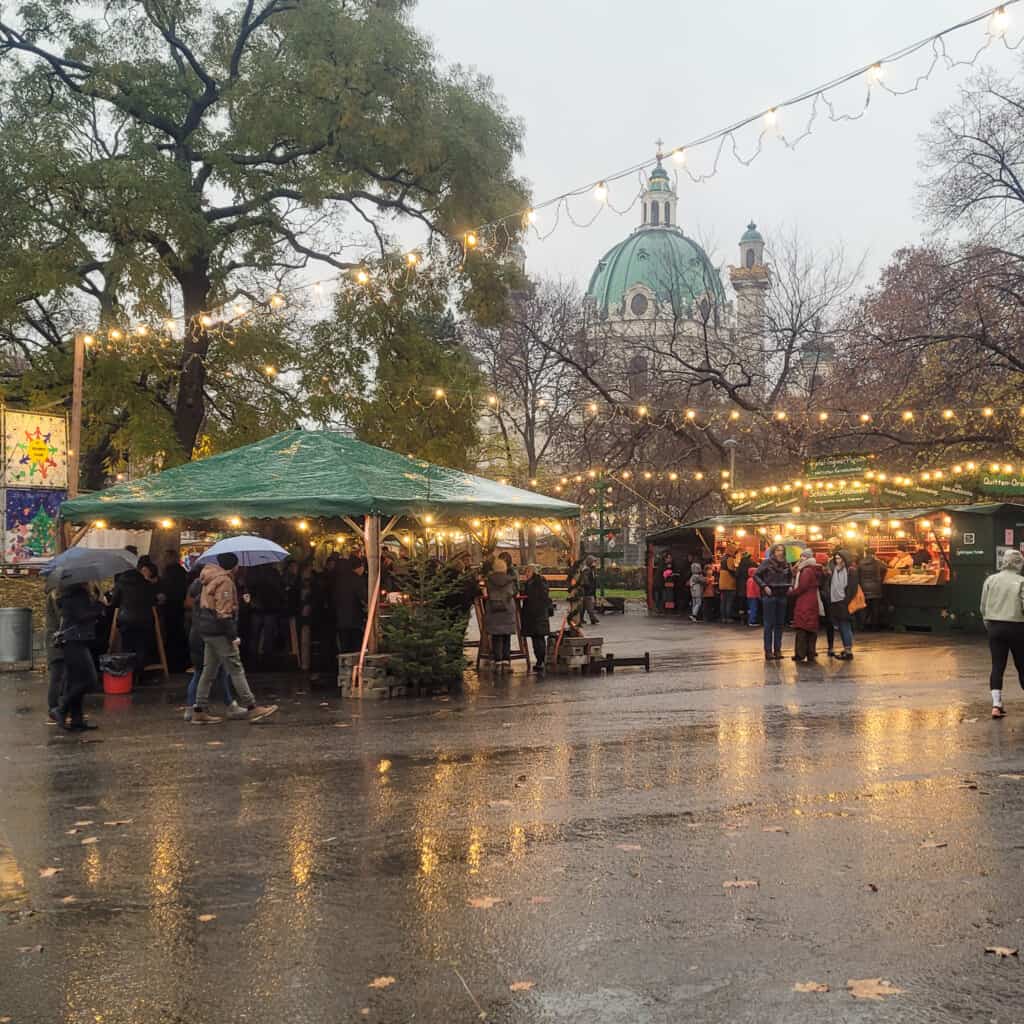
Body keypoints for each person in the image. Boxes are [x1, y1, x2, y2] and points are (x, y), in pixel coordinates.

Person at [190, 553, 278, 724]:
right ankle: (251, 706)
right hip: (219, 631)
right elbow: (223, 613)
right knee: (236, 668)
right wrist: (233, 636)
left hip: (207, 629)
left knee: (209, 671)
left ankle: (199, 709)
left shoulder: (208, 577)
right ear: (234, 566)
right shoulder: (225, 581)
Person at [184, 575, 241, 721]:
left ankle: (194, 707)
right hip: (210, 635)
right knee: (214, 671)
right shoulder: (217, 588)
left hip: (197, 633)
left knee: (206, 671)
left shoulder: (198, 586)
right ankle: (232, 705)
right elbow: (222, 614)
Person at [49, 583, 104, 731]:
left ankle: (77, 719)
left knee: (76, 681)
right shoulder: (77, 594)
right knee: (89, 680)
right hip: (75, 641)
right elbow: (82, 616)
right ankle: (61, 708)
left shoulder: (69, 594)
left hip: (72, 640)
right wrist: (99, 606)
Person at [980, 548, 1024, 718]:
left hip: (994, 626)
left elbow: (983, 606)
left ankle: (996, 705)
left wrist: (988, 624)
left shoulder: (991, 580)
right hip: (1017, 627)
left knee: (997, 666)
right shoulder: (1021, 581)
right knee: (1022, 665)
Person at [109, 557, 159, 686]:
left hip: (126, 619)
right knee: (141, 647)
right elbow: (153, 600)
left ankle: (128, 676)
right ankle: (139, 675)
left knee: (127, 647)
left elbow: (114, 603)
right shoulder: (145, 583)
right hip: (144, 619)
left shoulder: (120, 583)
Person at [754, 544, 792, 660]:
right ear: (773, 552)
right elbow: (756, 575)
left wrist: (790, 585)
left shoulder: (786, 564)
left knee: (780, 624)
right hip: (770, 595)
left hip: (782, 595)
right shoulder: (767, 563)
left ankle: (778, 650)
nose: (780, 552)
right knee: (769, 624)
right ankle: (768, 651)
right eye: (778, 550)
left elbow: (790, 576)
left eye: (782, 550)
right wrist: (764, 586)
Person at [485, 557, 518, 669]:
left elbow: (487, 592)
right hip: (507, 609)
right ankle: (506, 659)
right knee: (506, 634)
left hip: (493, 609)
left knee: (496, 635)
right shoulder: (510, 580)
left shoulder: (489, 580)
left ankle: (497, 659)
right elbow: (514, 592)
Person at [790, 548, 822, 663]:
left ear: (808, 558)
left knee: (802, 627)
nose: (801, 558)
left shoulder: (806, 570)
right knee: (811, 628)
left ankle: (800, 653)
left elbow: (802, 587)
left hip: (805, 601)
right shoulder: (812, 569)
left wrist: (791, 592)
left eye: (803, 556)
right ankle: (810, 653)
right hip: (812, 600)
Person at [160, 549, 190, 671]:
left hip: (170, 606)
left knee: (172, 633)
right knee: (178, 632)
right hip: (179, 606)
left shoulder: (168, 572)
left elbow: (167, 589)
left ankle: (172, 663)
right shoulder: (182, 572)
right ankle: (181, 661)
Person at [247, 563, 285, 657]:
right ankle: (266, 657)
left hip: (258, 606)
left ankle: (254, 656)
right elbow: (279, 589)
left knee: (255, 634)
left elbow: (249, 587)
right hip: (269, 607)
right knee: (268, 634)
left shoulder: (253, 572)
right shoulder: (273, 572)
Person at [827, 550, 859, 660]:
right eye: (836, 558)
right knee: (841, 626)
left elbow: (853, 588)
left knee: (845, 625)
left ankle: (848, 650)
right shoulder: (835, 570)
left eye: (840, 558)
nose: (837, 561)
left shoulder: (851, 571)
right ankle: (846, 648)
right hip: (835, 600)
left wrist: (846, 600)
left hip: (844, 601)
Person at [520, 564, 551, 675]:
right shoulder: (540, 582)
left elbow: (530, 596)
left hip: (535, 615)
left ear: (532, 572)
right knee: (538, 638)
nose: (525, 575)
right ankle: (540, 660)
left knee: (537, 639)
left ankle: (540, 660)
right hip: (540, 615)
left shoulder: (533, 583)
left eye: (527, 572)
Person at [333, 556, 368, 655]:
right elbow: (364, 597)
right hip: (355, 619)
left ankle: (344, 667)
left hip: (341, 618)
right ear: (359, 567)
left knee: (345, 646)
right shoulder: (357, 580)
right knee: (355, 646)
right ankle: (356, 668)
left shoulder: (339, 579)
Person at [45, 588, 66, 719]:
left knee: (59, 675)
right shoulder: (56, 596)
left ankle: (57, 707)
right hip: (57, 640)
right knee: (57, 675)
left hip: (55, 638)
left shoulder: (55, 594)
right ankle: (54, 707)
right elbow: (62, 619)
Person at [858, 548, 887, 629]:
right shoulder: (878, 562)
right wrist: (881, 578)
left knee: (864, 608)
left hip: (864, 588)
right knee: (875, 608)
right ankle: (875, 626)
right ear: (874, 554)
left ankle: (863, 625)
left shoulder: (860, 563)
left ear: (865, 553)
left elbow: (858, 574)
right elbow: (885, 568)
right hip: (876, 588)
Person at [718, 545, 738, 623]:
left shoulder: (723, 558)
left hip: (722, 583)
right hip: (729, 583)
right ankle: (728, 618)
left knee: (723, 602)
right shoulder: (730, 558)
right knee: (729, 602)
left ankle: (723, 618)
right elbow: (731, 569)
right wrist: (736, 572)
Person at [736, 549, 755, 622]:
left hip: (741, 586)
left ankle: (741, 619)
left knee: (741, 603)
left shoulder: (740, 564)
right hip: (750, 585)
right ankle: (749, 618)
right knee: (749, 603)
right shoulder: (752, 563)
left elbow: (736, 574)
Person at [580, 557, 600, 624]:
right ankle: (592, 618)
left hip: (588, 590)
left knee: (584, 605)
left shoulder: (591, 570)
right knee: (589, 605)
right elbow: (585, 581)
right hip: (587, 590)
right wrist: (589, 587)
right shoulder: (587, 570)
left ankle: (581, 618)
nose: (595, 563)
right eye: (593, 562)